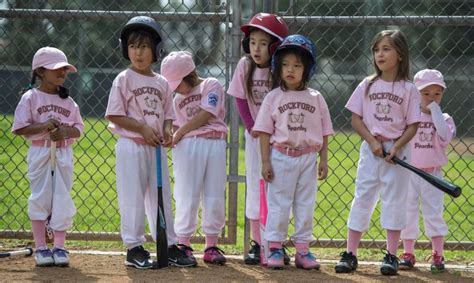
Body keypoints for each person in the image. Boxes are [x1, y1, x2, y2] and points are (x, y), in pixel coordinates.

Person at [105, 16, 194, 269]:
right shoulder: (124, 78)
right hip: (131, 145)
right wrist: (143, 127)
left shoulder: (162, 83)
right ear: (126, 50)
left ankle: (168, 244)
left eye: (144, 46)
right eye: (133, 46)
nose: (138, 52)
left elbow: (168, 116)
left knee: (162, 196)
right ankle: (134, 247)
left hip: (154, 148)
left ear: (156, 50)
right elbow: (114, 114)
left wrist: (166, 131)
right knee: (132, 196)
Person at [335, 30, 421, 276]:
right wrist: (372, 142)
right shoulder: (368, 84)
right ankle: (350, 253)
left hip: (398, 153)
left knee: (394, 202)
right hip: (371, 151)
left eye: (386, 49)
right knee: (362, 197)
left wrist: (396, 147)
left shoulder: (408, 89)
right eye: (376, 49)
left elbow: (413, 124)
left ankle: (391, 255)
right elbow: (356, 119)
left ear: (401, 55)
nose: (379, 54)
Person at [253, 34, 334, 270]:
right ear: (278, 68)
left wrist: (324, 159)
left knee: (305, 205)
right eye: (286, 64)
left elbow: (326, 131)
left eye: (297, 65)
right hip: (281, 156)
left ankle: (303, 251)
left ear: (307, 70)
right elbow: (265, 133)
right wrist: (266, 162)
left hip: (308, 158)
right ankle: (275, 248)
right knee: (278, 204)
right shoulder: (273, 97)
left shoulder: (316, 98)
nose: (291, 70)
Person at [12, 46, 84, 267]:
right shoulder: (30, 97)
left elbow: (78, 129)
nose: (62, 73)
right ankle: (42, 247)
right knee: (41, 197)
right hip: (40, 151)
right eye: (56, 69)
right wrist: (43, 125)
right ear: (40, 72)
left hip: (63, 152)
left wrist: (65, 132)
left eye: (64, 69)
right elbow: (19, 128)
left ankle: (60, 247)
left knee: (62, 196)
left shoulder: (69, 102)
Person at [227, 12, 290, 265]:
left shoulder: (281, 69)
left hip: (279, 139)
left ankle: (275, 242)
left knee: (279, 190)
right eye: (252, 42)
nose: (256, 48)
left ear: (276, 46)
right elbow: (240, 98)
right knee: (255, 187)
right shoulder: (245, 66)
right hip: (255, 138)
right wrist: (252, 125)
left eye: (264, 43)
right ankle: (257, 242)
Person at [160, 51, 228, 266]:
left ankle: (211, 244)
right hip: (187, 147)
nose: (176, 89)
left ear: (188, 74)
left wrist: (180, 132)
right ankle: (184, 242)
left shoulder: (210, 84)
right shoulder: (176, 98)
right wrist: (171, 133)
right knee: (186, 194)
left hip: (214, 142)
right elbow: (172, 123)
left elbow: (207, 113)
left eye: (177, 83)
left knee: (214, 194)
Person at [399, 69, 455, 273]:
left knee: (434, 214)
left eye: (437, 94)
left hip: (433, 175)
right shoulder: (409, 117)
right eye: (426, 93)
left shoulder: (445, 119)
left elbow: (444, 137)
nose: (431, 98)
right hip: (409, 173)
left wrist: (436, 112)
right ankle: (408, 253)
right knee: (408, 213)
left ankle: (438, 254)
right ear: (415, 93)